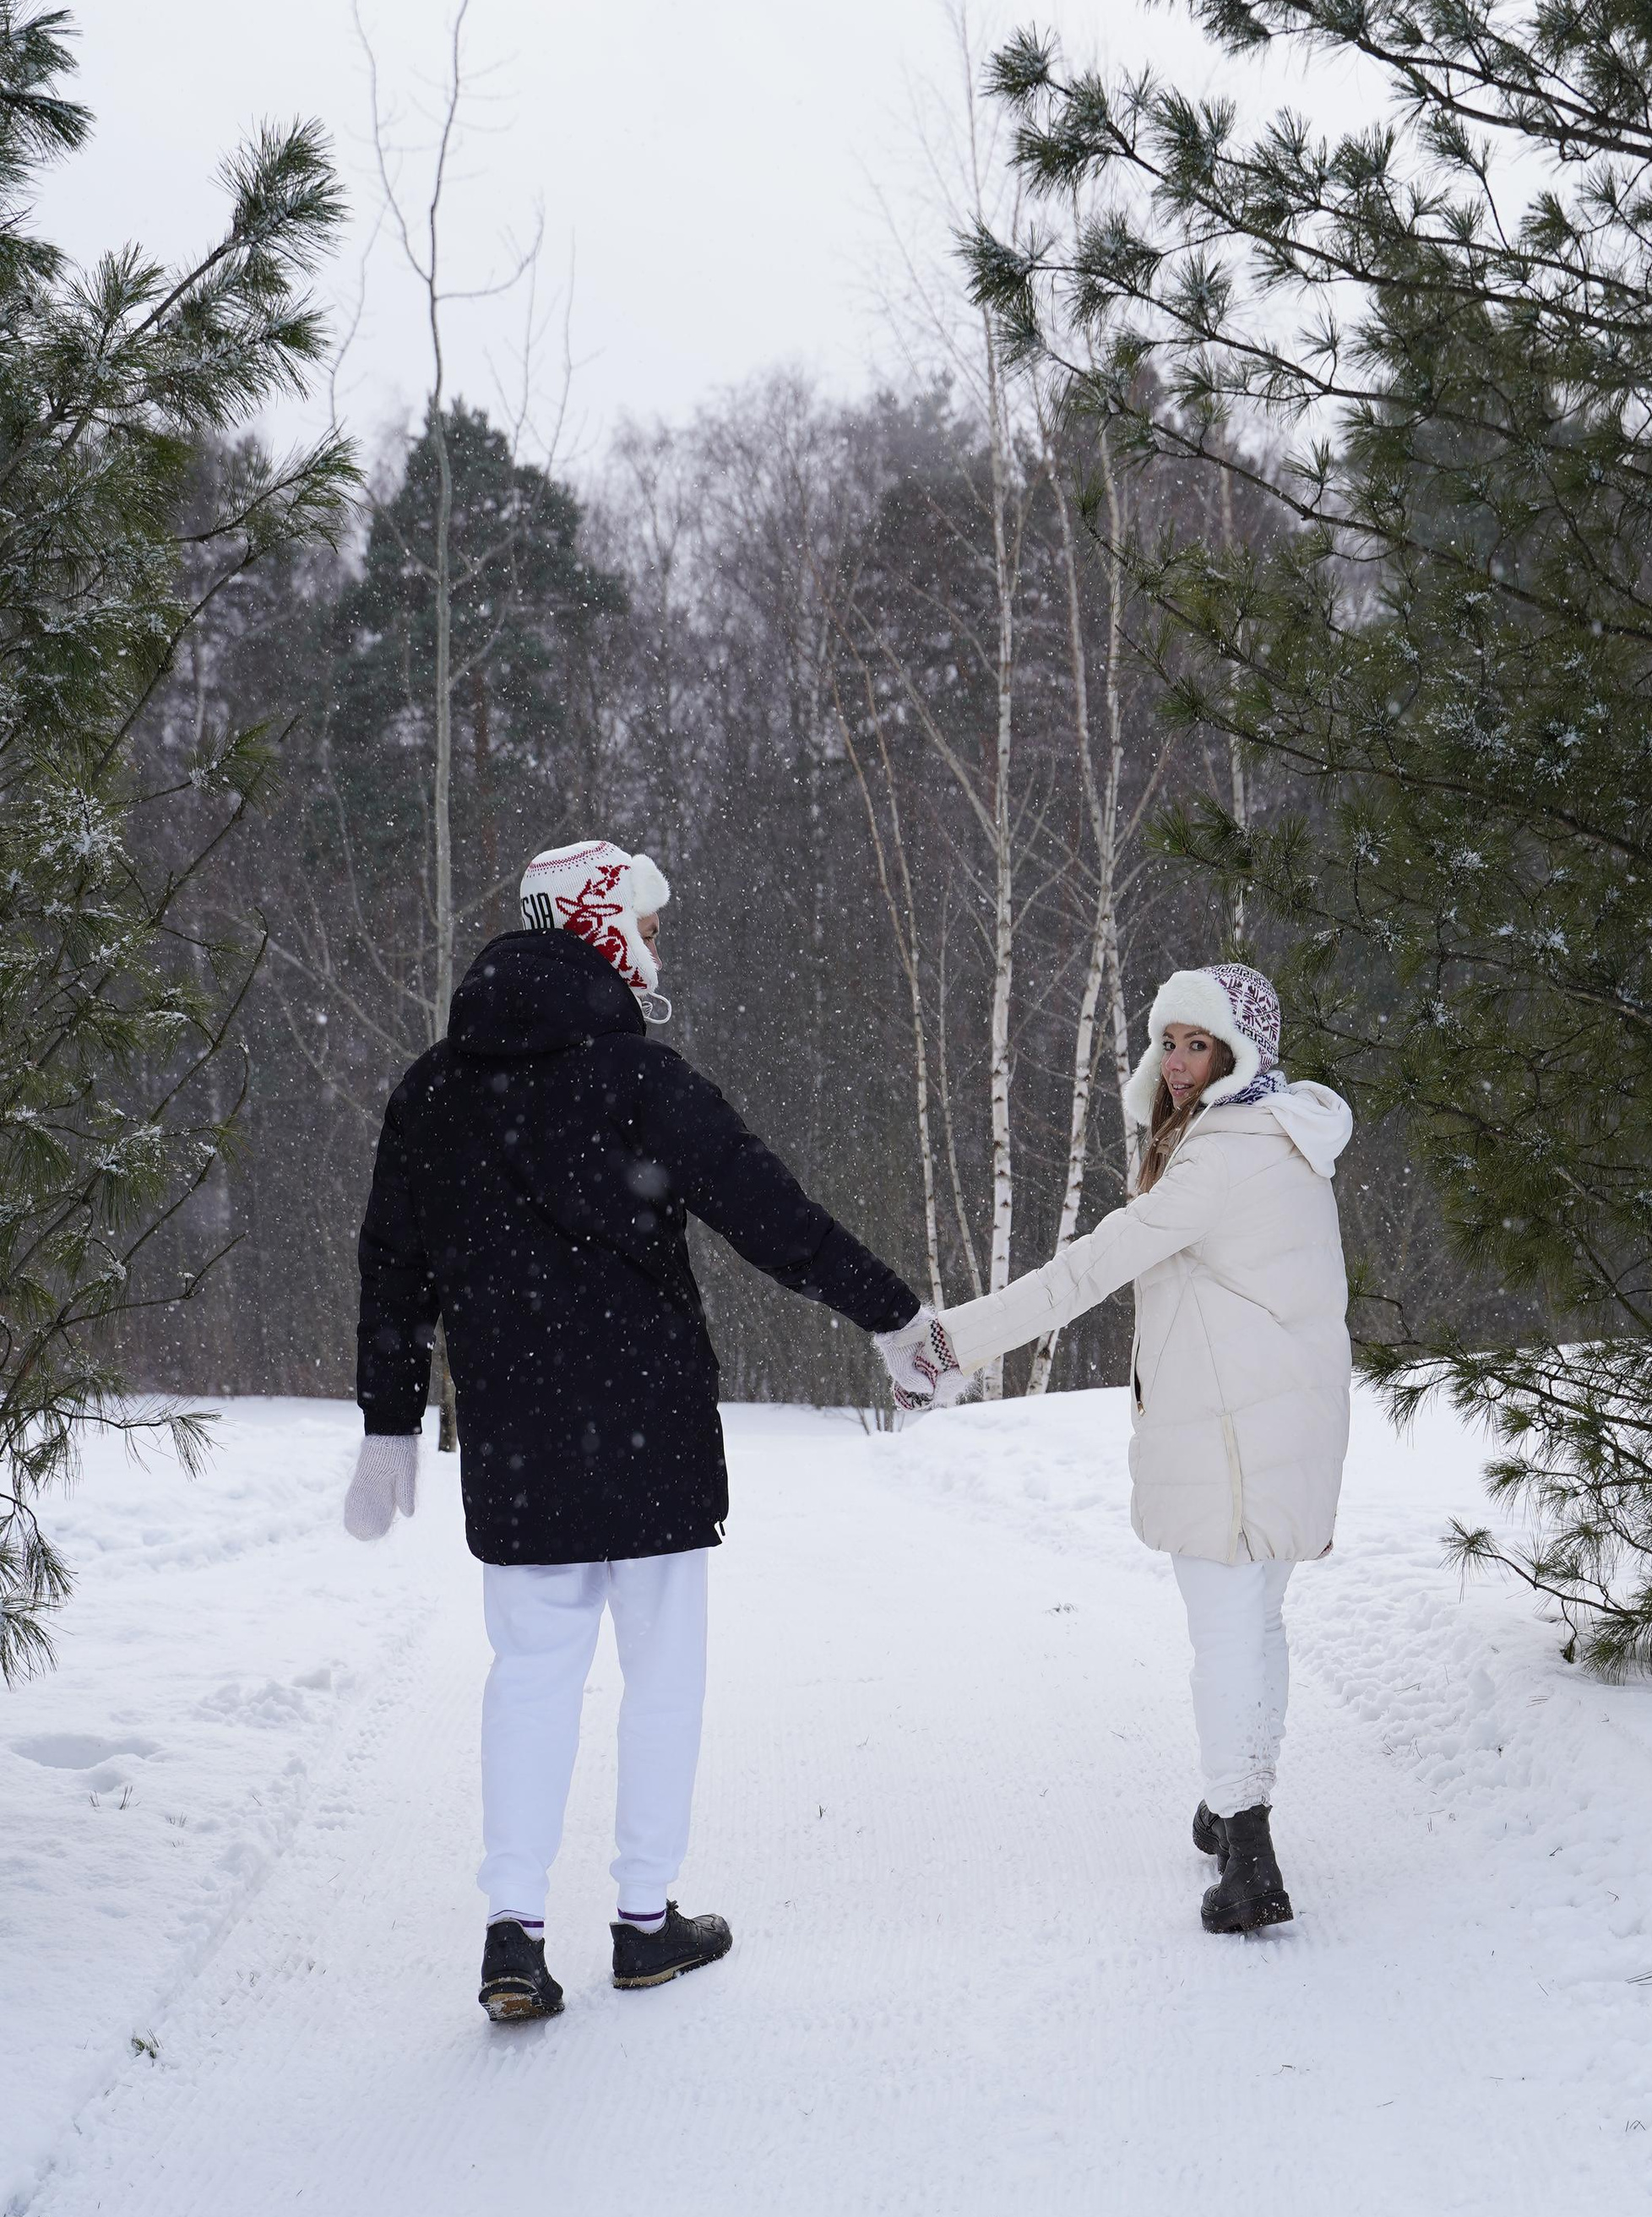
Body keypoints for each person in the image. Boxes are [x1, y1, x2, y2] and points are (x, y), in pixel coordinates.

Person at [343, 835, 937, 2024]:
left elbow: (394, 1262)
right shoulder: (635, 1076)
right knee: (662, 1676)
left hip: (516, 1435)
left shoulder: (435, 1086)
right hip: (646, 1425)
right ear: (599, 926)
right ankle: (645, 1923)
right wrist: (891, 1313)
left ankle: (513, 1936)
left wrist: (390, 1420)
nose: (655, 952)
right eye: (648, 929)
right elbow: (767, 1211)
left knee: (530, 1679)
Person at [895, 962, 1352, 1935]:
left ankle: (1249, 1854)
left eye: (1199, 1045)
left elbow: (1085, 1270)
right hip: (1286, 1425)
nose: (1177, 1064)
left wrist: (950, 1344)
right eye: (1168, 1043)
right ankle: (1233, 1805)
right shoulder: (1290, 1139)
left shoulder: (1220, 1158)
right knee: (1256, 1626)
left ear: (1240, 1055)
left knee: (1226, 1638)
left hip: (1231, 1435)